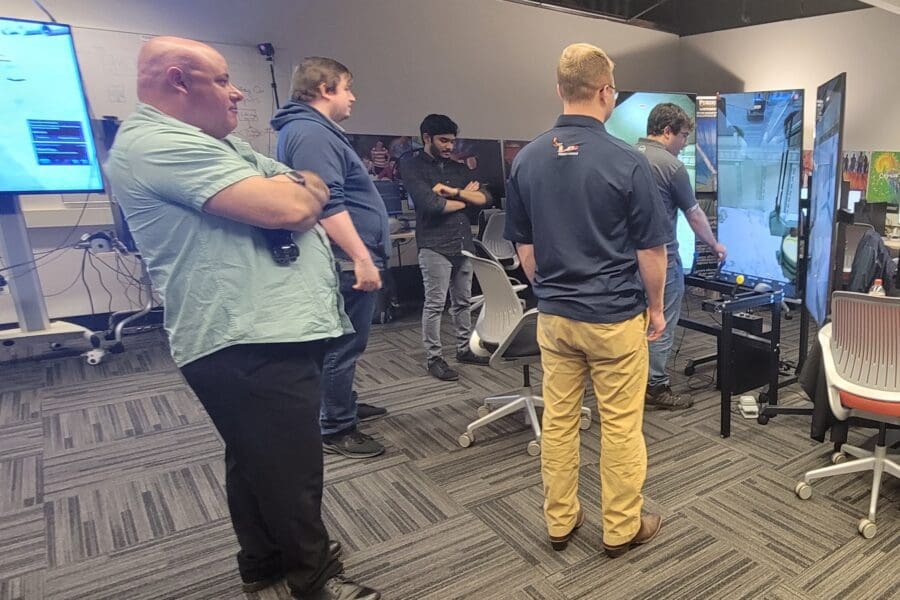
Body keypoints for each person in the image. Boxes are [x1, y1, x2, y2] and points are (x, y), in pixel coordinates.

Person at [104, 37, 379, 600]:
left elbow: (301, 185)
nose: (237, 93)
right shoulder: (160, 144)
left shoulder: (215, 145)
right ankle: (315, 580)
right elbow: (297, 204)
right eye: (224, 80)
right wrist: (295, 193)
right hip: (247, 334)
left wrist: (296, 187)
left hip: (256, 331)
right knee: (292, 470)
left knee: (256, 455)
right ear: (179, 81)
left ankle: (263, 560)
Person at [504, 43, 670, 558]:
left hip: (555, 317)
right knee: (620, 426)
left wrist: (552, 289)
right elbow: (652, 251)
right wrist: (658, 308)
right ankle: (620, 529)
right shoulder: (627, 161)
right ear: (606, 93)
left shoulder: (526, 159)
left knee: (559, 421)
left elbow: (524, 247)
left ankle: (561, 522)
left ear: (559, 90)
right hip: (614, 318)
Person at [271, 57, 390, 460]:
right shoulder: (310, 132)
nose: (352, 96)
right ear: (325, 89)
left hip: (345, 254)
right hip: (342, 258)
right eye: (347, 87)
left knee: (345, 340)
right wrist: (360, 256)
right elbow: (326, 202)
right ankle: (337, 426)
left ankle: (342, 405)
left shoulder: (314, 130)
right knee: (343, 342)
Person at [635, 103, 727, 409]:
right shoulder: (671, 166)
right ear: (666, 131)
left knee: (634, 326)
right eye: (684, 134)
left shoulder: (627, 156)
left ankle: (634, 381)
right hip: (662, 262)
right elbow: (695, 215)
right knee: (660, 324)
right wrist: (715, 246)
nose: (685, 142)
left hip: (627, 264)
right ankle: (656, 386)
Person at [398, 114, 492, 381]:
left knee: (462, 302)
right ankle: (434, 358)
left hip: (462, 241)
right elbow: (432, 205)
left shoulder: (457, 168)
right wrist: (466, 198)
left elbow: (485, 196)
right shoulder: (412, 165)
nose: (450, 146)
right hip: (433, 244)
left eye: (452, 141)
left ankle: (464, 349)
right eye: (443, 140)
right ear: (426, 138)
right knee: (435, 304)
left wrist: (454, 194)